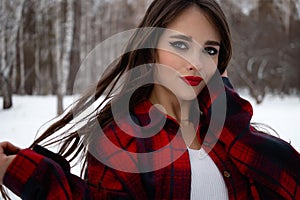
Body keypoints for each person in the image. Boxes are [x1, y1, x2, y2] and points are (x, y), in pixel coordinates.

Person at [1, 0, 300, 199]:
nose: (196, 62)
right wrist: (31, 174)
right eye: (180, 44)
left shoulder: (231, 128)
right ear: (151, 47)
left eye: (210, 50)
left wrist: (232, 118)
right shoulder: (122, 138)